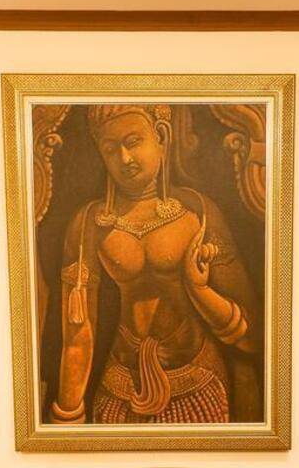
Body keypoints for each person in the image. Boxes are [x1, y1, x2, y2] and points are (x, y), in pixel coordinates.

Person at [50, 103, 260, 425]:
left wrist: (200, 290)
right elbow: (78, 333)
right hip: (120, 386)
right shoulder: (89, 224)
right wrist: (68, 415)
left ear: (161, 136)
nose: (124, 159)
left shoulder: (198, 213)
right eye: (110, 149)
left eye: (133, 142)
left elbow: (252, 334)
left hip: (198, 380)